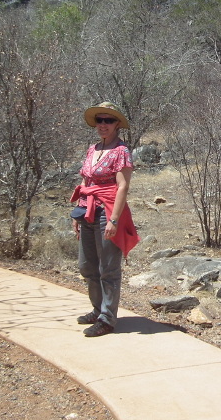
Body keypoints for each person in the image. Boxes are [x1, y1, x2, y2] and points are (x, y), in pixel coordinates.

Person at [70, 101, 139, 337]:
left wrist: (115, 220)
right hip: (87, 209)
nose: (103, 125)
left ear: (117, 124)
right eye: (99, 120)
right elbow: (85, 181)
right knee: (87, 265)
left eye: (108, 120)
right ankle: (97, 309)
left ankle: (107, 318)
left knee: (108, 267)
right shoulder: (93, 149)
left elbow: (122, 187)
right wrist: (78, 211)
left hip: (107, 211)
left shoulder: (121, 152)